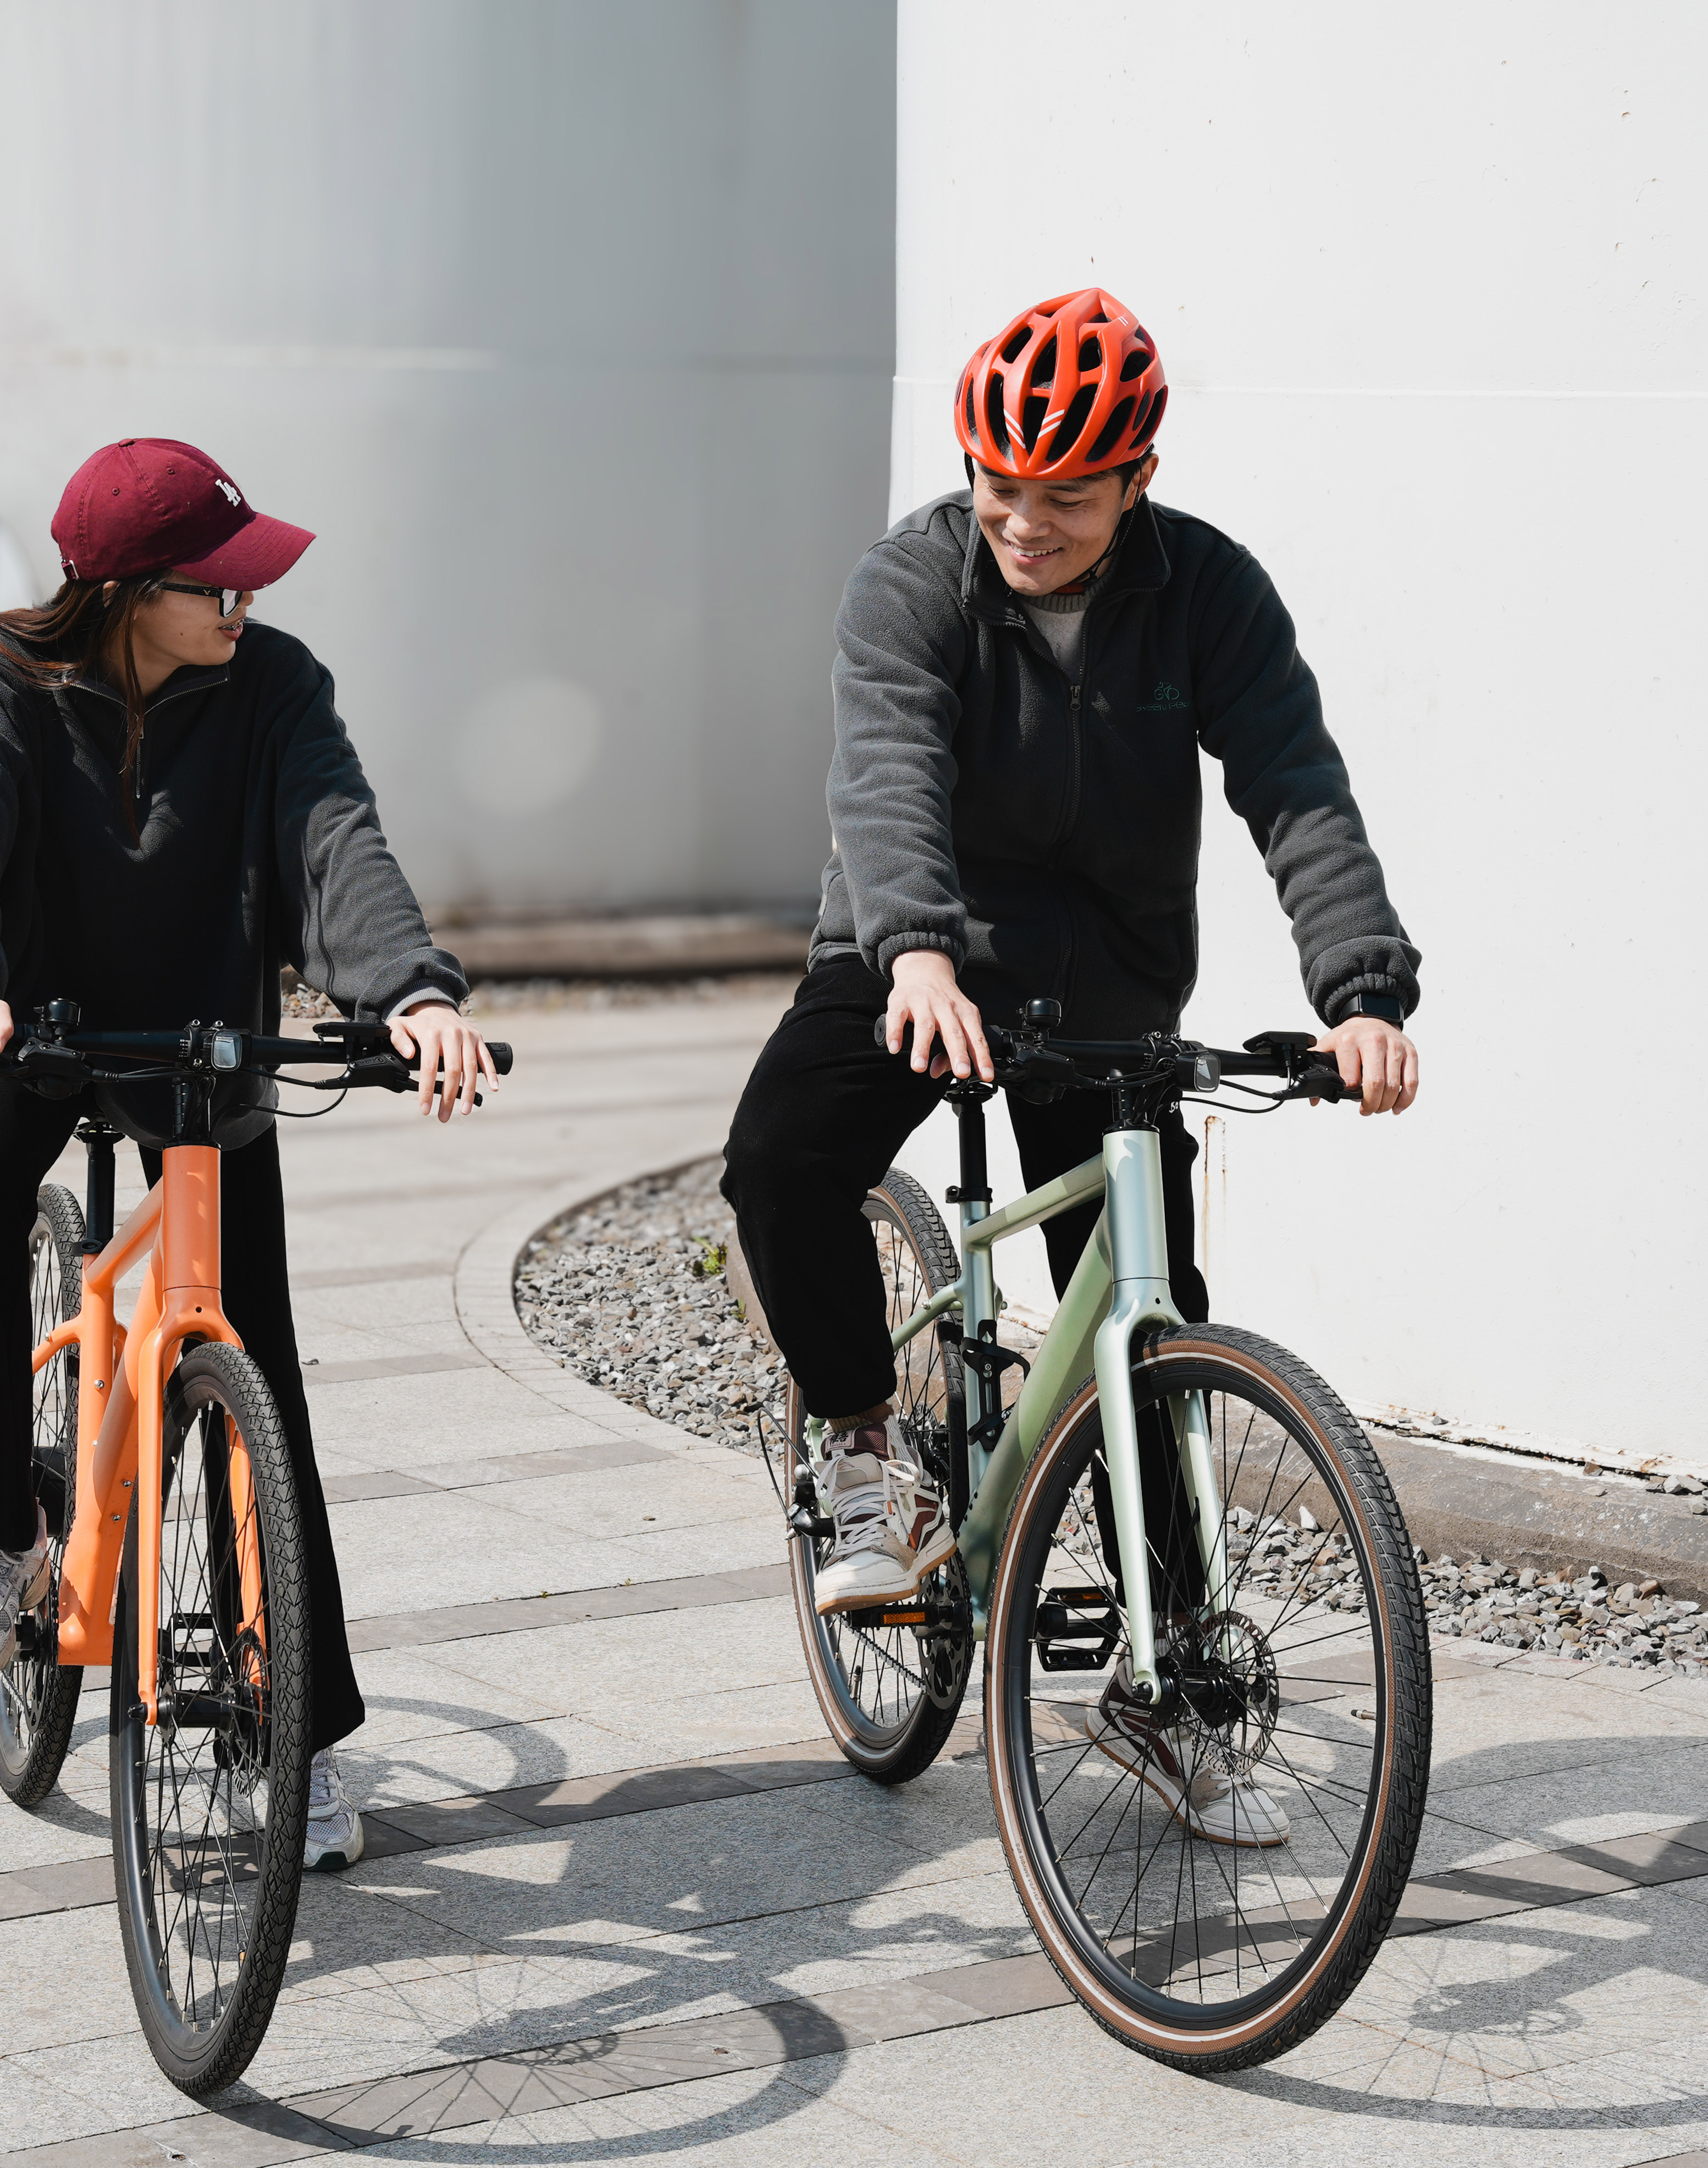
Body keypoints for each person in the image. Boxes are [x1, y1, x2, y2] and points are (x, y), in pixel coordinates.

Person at [722, 289, 1421, 1843]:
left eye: (1069, 494)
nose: (1025, 521)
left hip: (1102, 980)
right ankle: (857, 1444)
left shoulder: (1208, 593)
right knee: (777, 1162)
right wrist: (911, 949)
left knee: (1148, 1336)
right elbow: (886, 759)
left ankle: (1168, 1700)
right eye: (1001, 485)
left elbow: (1294, 784)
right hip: (911, 950)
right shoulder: (914, 580)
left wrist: (1359, 988)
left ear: (1139, 480)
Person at [0, 437, 497, 1872]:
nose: (241, 610)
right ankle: (2, 1531)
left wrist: (406, 989)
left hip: (202, 1043)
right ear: (120, 591)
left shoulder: (273, 686)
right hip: (26, 1026)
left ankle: (296, 1734)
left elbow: (334, 837)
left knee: (254, 1365)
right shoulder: (2, 678)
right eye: (213, 589)